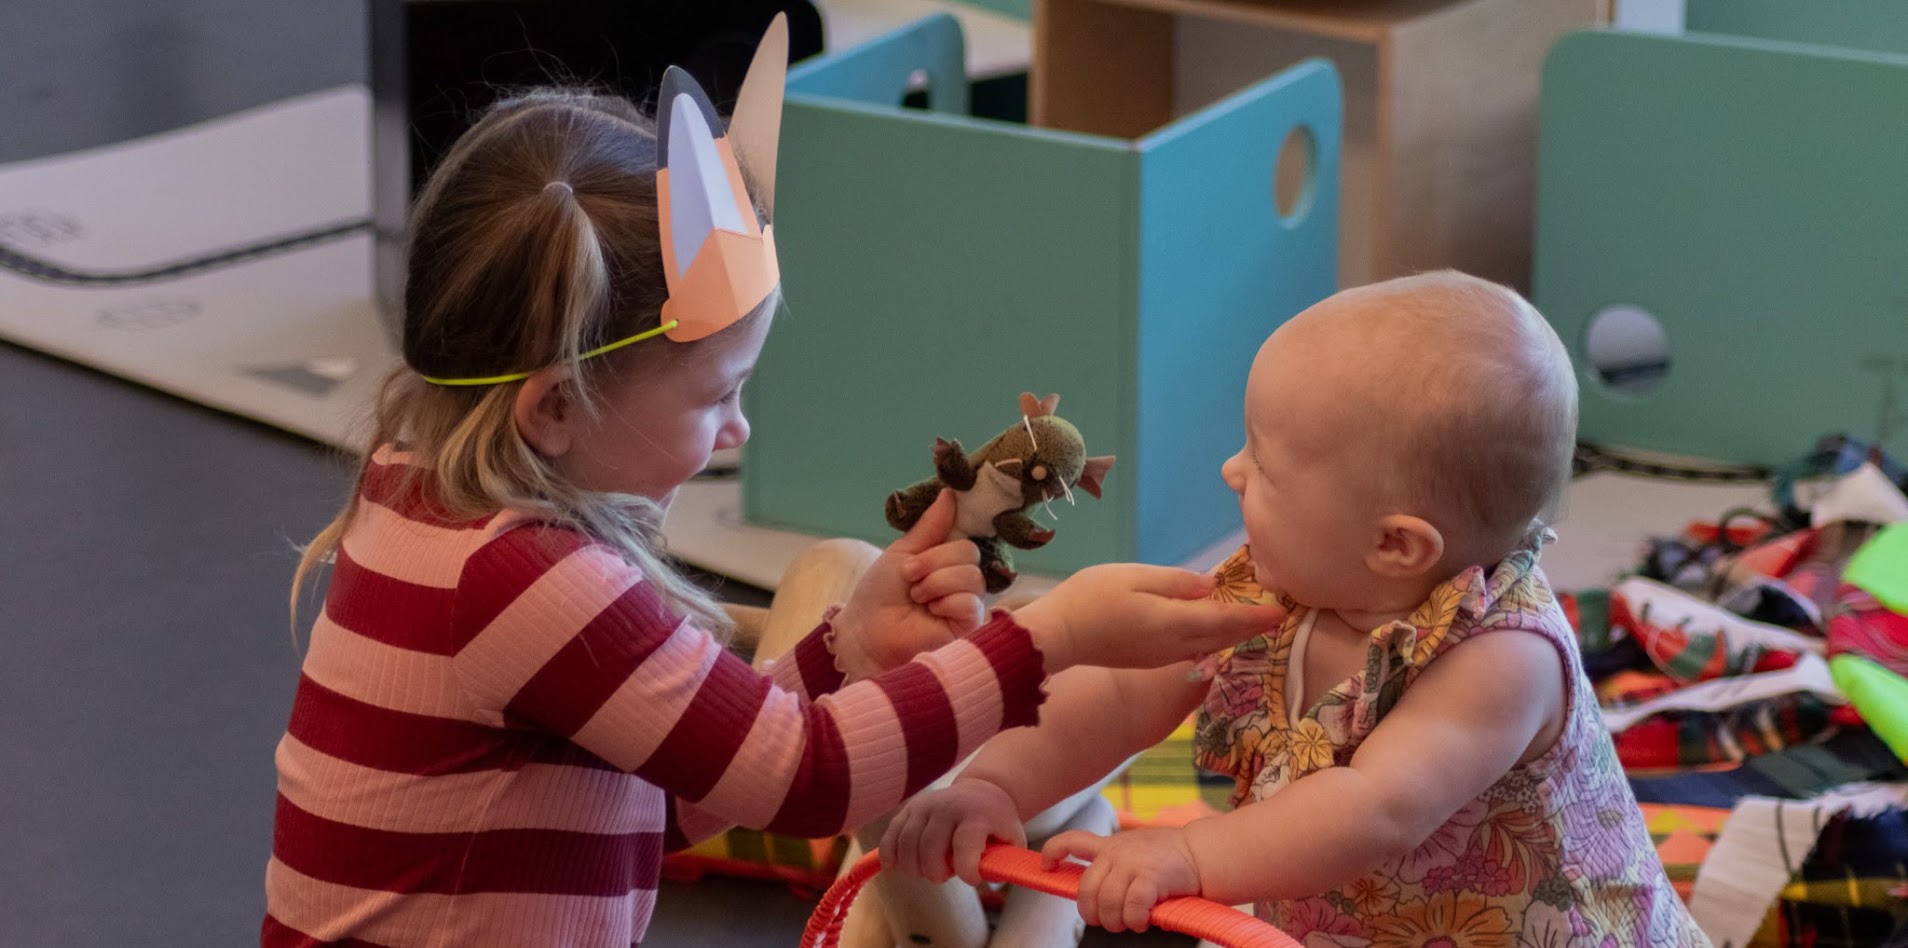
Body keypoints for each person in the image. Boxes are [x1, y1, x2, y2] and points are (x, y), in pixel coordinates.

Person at [883, 271, 1709, 947]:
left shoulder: (1502, 660)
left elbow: (1372, 810)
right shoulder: (1283, 583)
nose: (1230, 471)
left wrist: (1188, 853)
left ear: (1394, 546)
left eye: (1265, 466)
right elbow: (1123, 692)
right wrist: (993, 786)